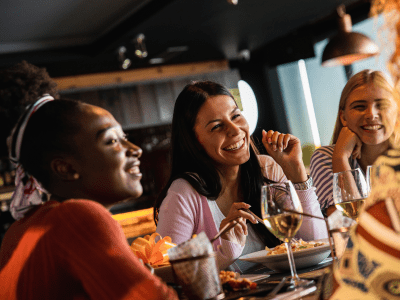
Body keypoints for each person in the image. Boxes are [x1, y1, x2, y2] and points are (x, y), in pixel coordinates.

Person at [0, 96, 178, 299]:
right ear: (66, 168)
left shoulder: (19, 229)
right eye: (112, 141)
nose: (136, 149)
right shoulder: (76, 217)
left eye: (125, 137)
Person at [154, 81, 326, 272]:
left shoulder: (267, 169)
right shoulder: (184, 192)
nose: (235, 130)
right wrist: (225, 249)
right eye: (217, 126)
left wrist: (297, 173)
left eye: (235, 116)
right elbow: (171, 274)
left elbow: (317, 244)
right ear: (194, 141)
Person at [310, 69, 400, 216]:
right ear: (343, 117)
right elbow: (345, 226)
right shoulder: (326, 158)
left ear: (397, 114)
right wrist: (340, 159)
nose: (371, 114)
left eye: (381, 105)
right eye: (359, 106)